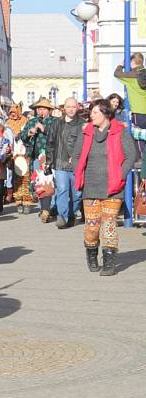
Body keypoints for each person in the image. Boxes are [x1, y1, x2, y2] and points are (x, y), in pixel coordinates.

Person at [73, 99, 138, 276]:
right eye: (91, 113)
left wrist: (120, 174)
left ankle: (109, 262)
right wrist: (78, 172)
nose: (91, 116)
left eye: (94, 113)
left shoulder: (120, 132)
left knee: (109, 224)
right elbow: (77, 155)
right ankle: (92, 254)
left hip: (114, 187)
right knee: (92, 228)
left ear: (105, 114)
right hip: (91, 186)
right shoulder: (86, 132)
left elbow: (130, 155)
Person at [45, 97, 84, 228]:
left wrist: (78, 157)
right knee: (62, 189)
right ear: (64, 108)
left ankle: (72, 214)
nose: (71, 109)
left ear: (77, 107)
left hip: (77, 164)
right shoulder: (57, 123)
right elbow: (50, 143)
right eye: (68, 107)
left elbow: (86, 144)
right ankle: (62, 216)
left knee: (77, 193)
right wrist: (49, 161)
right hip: (60, 161)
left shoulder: (82, 124)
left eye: (73, 107)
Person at [20, 97, 57, 223]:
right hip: (36, 157)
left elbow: (58, 136)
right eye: (38, 109)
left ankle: (52, 208)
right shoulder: (32, 121)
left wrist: (44, 129)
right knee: (39, 183)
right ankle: (43, 209)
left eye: (43, 109)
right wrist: (29, 133)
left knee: (51, 183)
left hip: (51, 156)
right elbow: (22, 137)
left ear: (49, 110)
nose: (40, 111)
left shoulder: (54, 121)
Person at [6, 104, 36, 213]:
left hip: (24, 153)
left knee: (26, 179)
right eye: (11, 112)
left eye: (14, 112)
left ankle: (27, 202)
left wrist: (23, 135)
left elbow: (29, 136)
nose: (13, 114)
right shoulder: (7, 123)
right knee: (17, 180)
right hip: (14, 155)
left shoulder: (25, 121)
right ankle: (18, 201)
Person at [113, 52, 146, 127]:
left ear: (133, 62)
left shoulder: (132, 76)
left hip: (139, 111)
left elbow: (117, 74)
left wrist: (121, 65)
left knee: (140, 135)